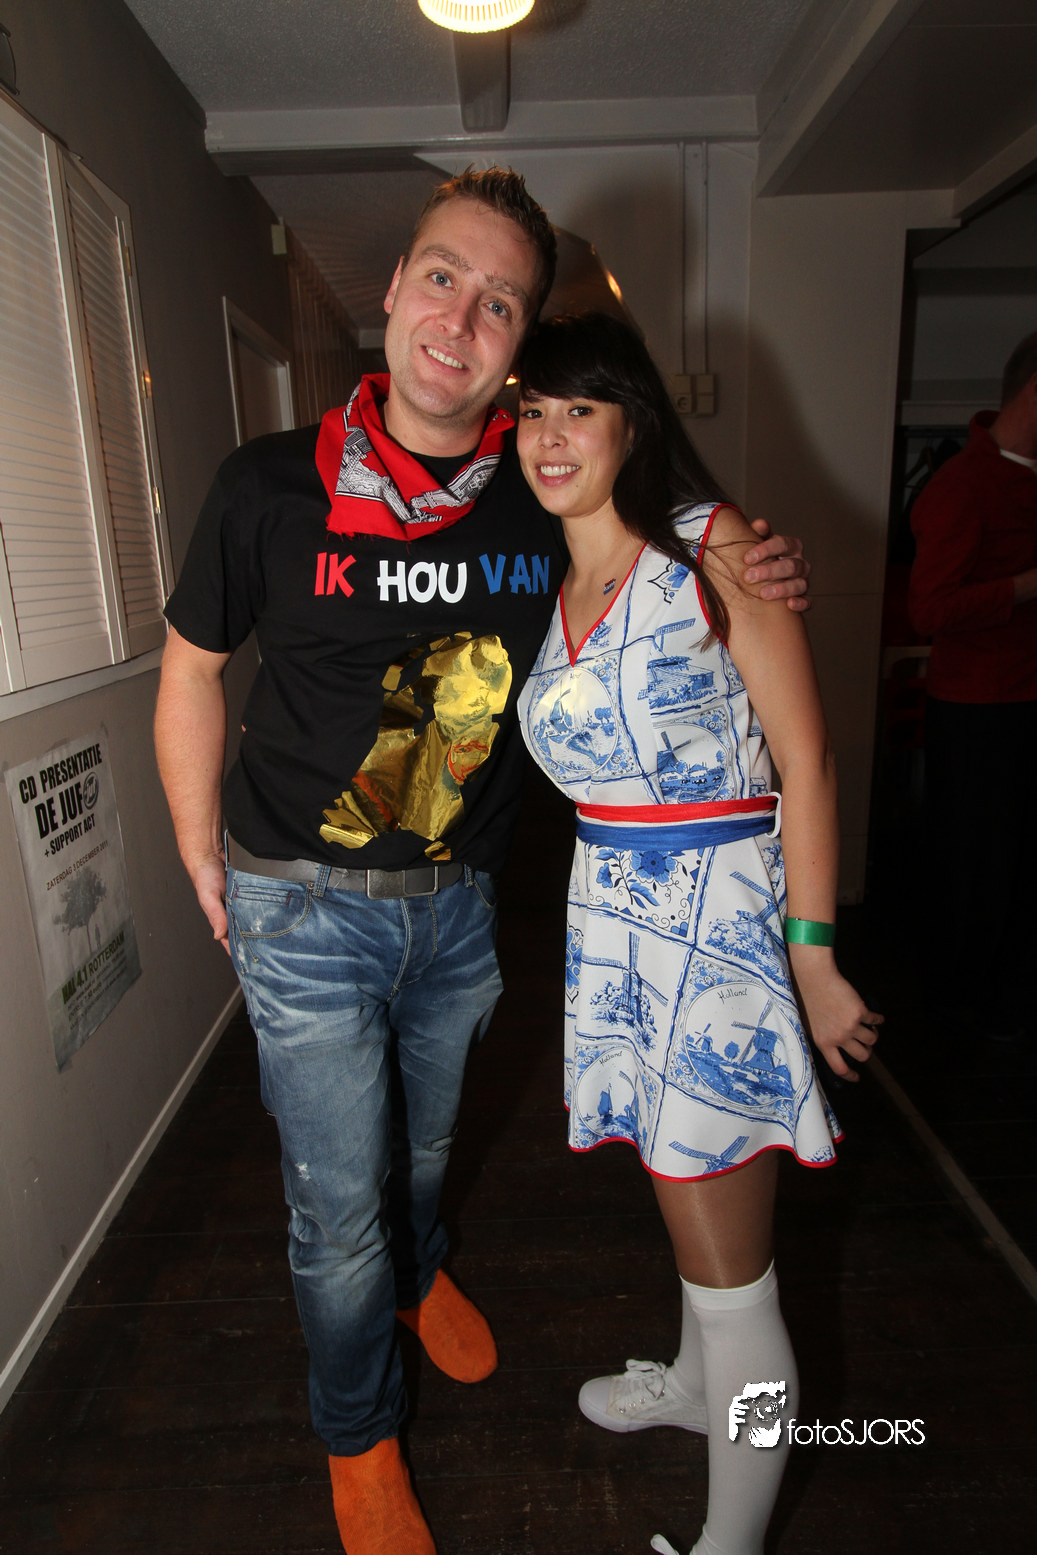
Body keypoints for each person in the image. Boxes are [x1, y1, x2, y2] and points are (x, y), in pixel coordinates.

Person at [154, 170, 813, 1555]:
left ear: (517, 349)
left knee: (425, 1154)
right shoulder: (264, 485)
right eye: (444, 278)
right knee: (338, 1209)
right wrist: (196, 848)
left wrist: (749, 560)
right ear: (395, 286)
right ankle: (360, 1434)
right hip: (303, 903)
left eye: (500, 302)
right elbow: (192, 671)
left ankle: (423, 1272)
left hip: (474, 908)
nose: (461, 318)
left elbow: (664, 538)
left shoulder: (537, 488)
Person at [514, 312, 882, 1555]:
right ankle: (688, 1387)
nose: (549, 434)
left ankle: (731, 1541)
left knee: (739, 1287)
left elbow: (806, 759)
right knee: (686, 1209)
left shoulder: (712, 549)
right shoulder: (559, 575)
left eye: (578, 408)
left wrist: (812, 954)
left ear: (633, 424)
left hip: (714, 950)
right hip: (615, 937)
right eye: (532, 411)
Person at [909, 332, 1037, 1041]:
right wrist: (1024, 587)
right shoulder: (962, 484)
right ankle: (956, 1004)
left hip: (1022, 696)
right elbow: (929, 610)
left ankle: (999, 993)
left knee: (1013, 859)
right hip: (979, 704)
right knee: (973, 860)